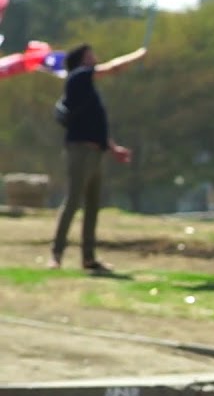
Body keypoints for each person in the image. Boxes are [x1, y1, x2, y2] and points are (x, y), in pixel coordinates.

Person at [50, 43, 147, 273]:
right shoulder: (79, 76)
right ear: (83, 59)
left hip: (95, 151)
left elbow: (96, 126)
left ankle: (89, 258)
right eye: (90, 53)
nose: (95, 56)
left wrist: (113, 149)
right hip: (80, 151)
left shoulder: (88, 89)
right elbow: (113, 68)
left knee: (92, 206)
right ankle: (56, 254)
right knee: (73, 202)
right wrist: (138, 55)